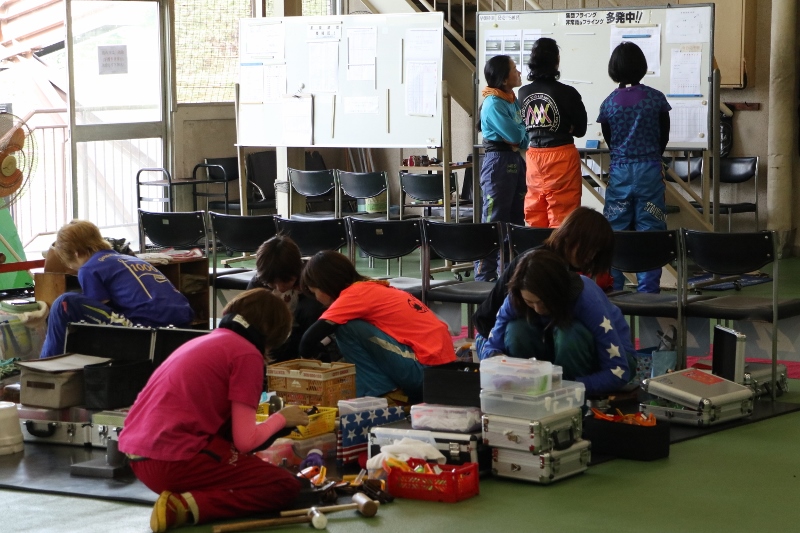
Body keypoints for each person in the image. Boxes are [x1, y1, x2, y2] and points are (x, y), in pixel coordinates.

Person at [118, 289, 311, 532]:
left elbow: (228, 432)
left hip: (138, 458)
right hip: (172, 462)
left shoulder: (204, 341)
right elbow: (246, 441)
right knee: (285, 486)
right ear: (274, 333)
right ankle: (184, 507)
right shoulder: (246, 354)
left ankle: (184, 501)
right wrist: (282, 419)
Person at [298, 251, 456, 404]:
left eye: (314, 292)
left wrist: (306, 364)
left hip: (424, 372)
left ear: (324, 285)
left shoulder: (354, 295)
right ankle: (385, 390)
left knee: (346, 328)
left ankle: (382, 393)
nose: (316, 298)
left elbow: (308, 340)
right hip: (441, 370)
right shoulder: (372, 287)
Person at [479, 249, 634, 396]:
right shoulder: (516, 298)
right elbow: (490, 348)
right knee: (516, 330)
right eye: (530, 302)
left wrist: (567, 387)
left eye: (543, 302)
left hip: (609, 362)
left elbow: (619, 372)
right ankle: (527, 392)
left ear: (557, 293)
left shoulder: (588, 301)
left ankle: (571, 398)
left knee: (570, 333)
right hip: (551, 361)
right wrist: (502, 363)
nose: (537, 309)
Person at [39, 220, 194, 358]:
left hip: (146, 328)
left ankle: (45, 366)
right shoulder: (131, 259)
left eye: (71, 265)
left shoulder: (88, 268)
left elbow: (98, 310)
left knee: (64, 303)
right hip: (183, 325)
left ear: (76, 253)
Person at [473, 206, 615, 348]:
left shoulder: (568, 266)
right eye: (588, 248)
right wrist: (494, 351)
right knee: (524, 331)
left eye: (596, 251)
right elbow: (494, 318)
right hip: (491, 334)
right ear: (568, 238)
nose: (591, 256)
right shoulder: (539, 266)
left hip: (521, 330)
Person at [597, 41, 671, 293]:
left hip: (619, 172)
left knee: (615, 233)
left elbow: (610, 140)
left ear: (613, 69)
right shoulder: (656, 98)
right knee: (651, 231)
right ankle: (648, 293)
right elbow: (663, 136)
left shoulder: (608, 103)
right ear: (642, 66)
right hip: (650, 170)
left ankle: (614, 290)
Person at [518, 37, 588, 228]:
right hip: (562, 157)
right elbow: (580, 130)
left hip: (534, 157)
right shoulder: (568, 93)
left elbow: (523, 124)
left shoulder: (522, 93)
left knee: (535, 212)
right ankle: (560, 248)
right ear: (556, 60)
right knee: (563, 217)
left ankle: (536, 248)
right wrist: (568, 126)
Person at [474, 54, 528, 282]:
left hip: (515, 160)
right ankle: (484, 277)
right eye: (515, 69)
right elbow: (516, 135)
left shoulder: (512, 100)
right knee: (494, 221)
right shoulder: (493, 103)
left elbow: (523, 138)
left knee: (516, 222)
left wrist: (519, 135)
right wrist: (518, 135)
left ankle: (509, 275)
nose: (519, 72)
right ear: (504, 78)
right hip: (498, 162)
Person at [245, 235, 333, 363]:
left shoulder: (311, 279)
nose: (280, 288)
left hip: (302, 332)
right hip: (275, 336)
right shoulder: (258, 284)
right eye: (272, 283)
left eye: (286, 281)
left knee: (312, 308)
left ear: (297, 271)